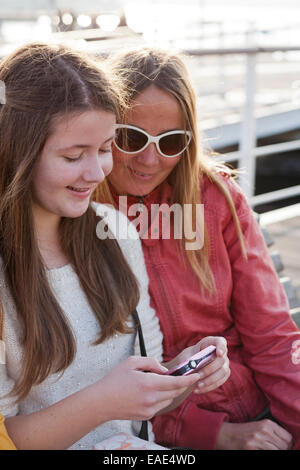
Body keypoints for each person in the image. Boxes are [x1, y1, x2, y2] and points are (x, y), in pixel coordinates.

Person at [0, 42, 230, 450]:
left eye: (105, 149)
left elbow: (146, 399)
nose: (95, 173)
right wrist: (103, 403)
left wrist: (183, 373)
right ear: (17, 153)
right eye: (73, 156)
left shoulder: (116, 233)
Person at [96, 46, 300, 450]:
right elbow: (93, 374)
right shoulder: (78, 212)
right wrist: (214, 434)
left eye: (171, 142)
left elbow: (272, 334)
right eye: (131, 137)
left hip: (259, 414)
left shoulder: (219, 197)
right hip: (158, 433)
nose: (149, 159)